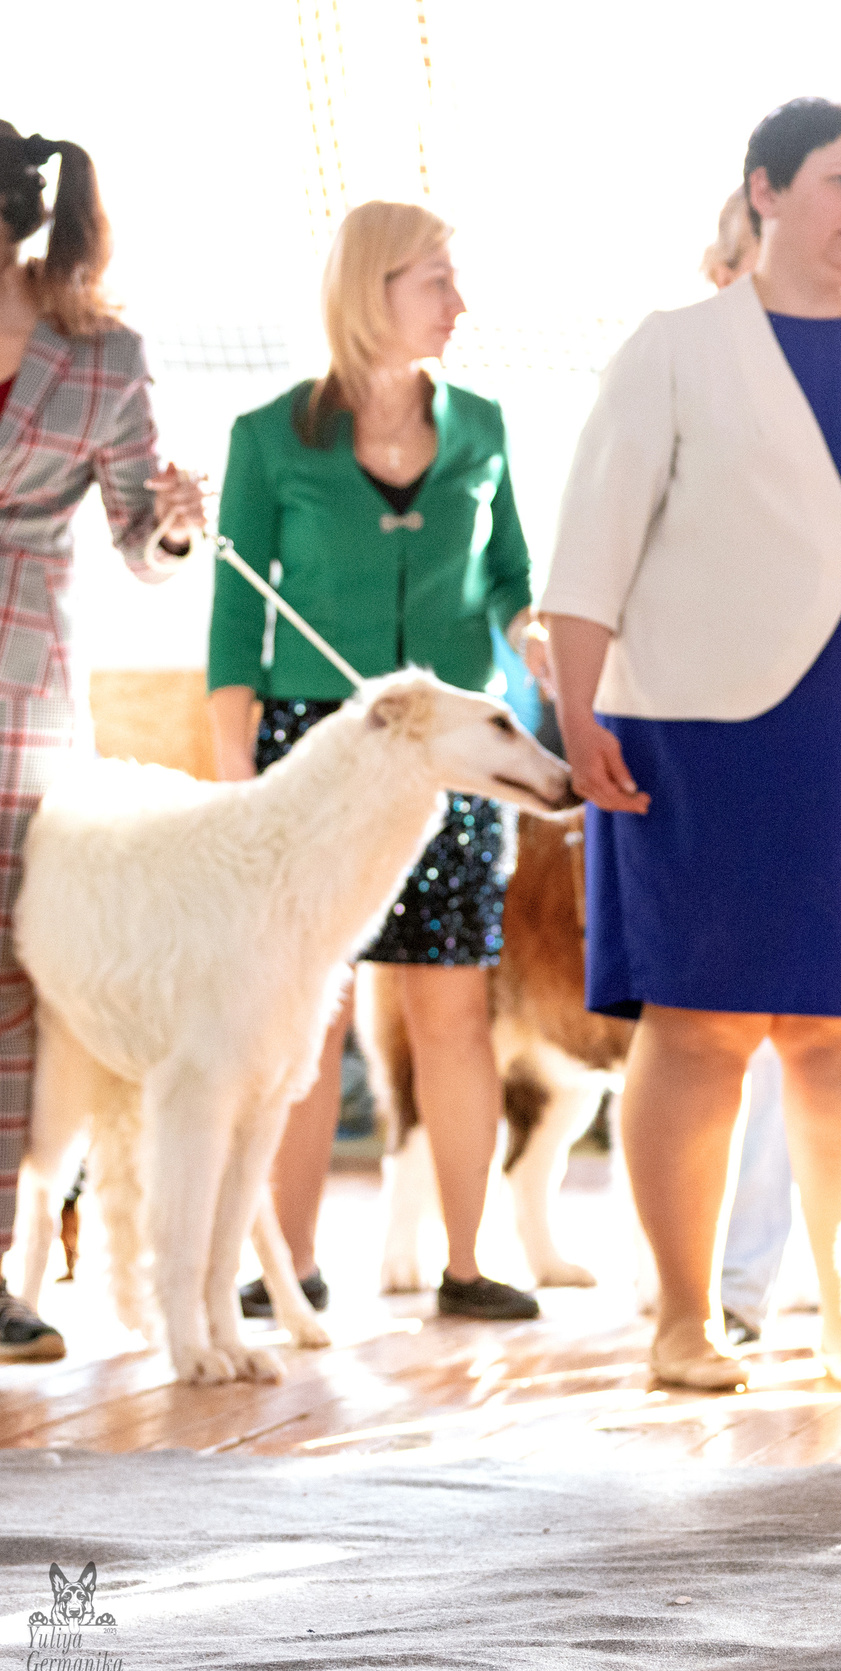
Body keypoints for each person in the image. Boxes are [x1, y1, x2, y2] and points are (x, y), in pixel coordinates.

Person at [541, 99, 841, 1392]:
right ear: (765, 193)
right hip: (688, 728)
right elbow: (590, 549)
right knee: (694, 1027)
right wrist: (579, 716)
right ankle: (683, 1322)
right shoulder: (674, 349)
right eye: (837, 182)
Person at [208, 200, 544, 1322]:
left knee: (453, 1012)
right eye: (436, 281)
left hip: (454, 752)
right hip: (313, 752)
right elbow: (228, 631)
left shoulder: (485, 425)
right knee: (313, 1011)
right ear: (373, 291)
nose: (459, 303)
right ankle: (286, 1263)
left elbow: (510, 578)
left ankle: (465, 1260)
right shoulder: (267, 437)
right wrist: (237, 787)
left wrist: (535, 633)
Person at [0, 122, 203, 1359]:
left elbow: (143, 542)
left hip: (24, 705)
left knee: (16, 989)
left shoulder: (100, 355)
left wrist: (176, 525)